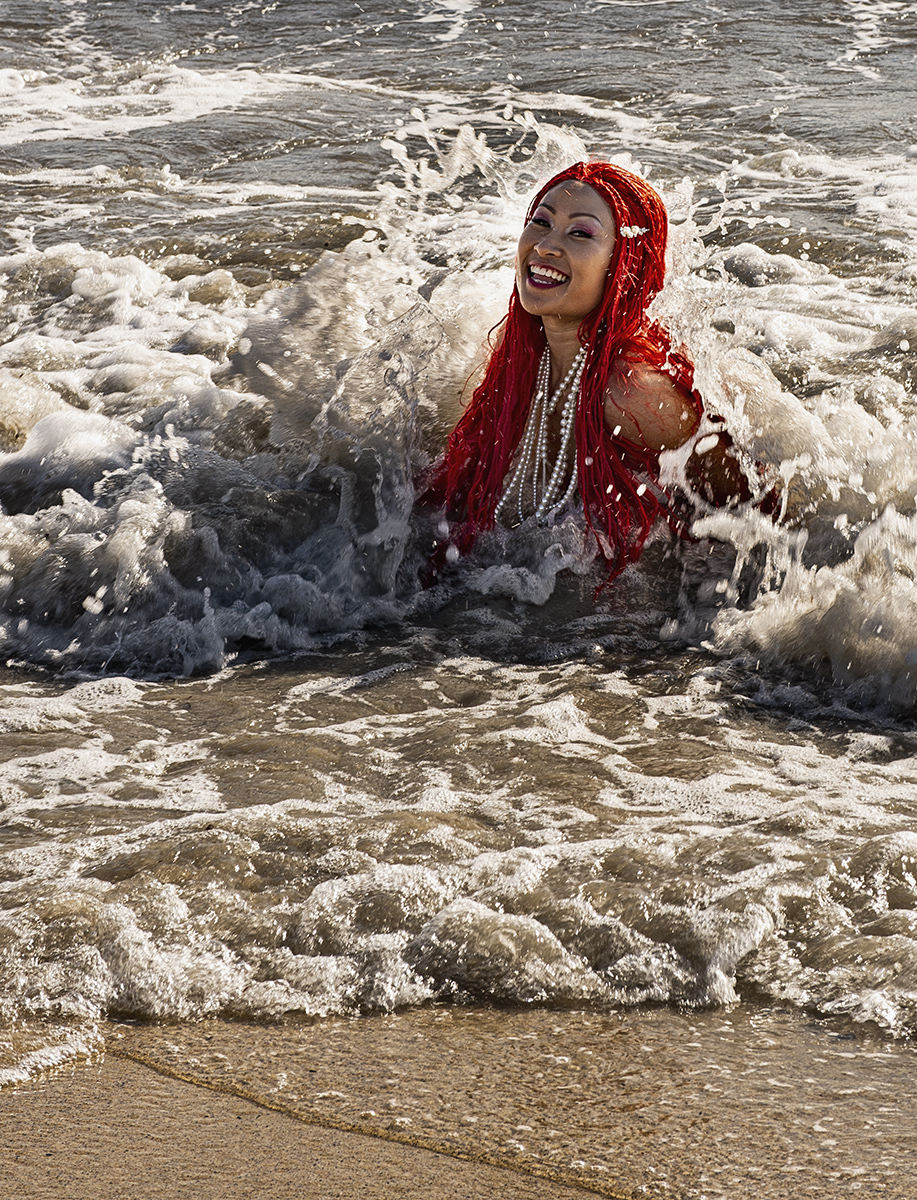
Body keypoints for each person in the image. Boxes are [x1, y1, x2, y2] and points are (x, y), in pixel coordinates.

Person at [421, 160, 754, 582]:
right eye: (540, 222)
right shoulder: (522, 355)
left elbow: (753, 510)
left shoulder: (634, 395)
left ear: (624, 264)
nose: (544, 246)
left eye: (580, 233)